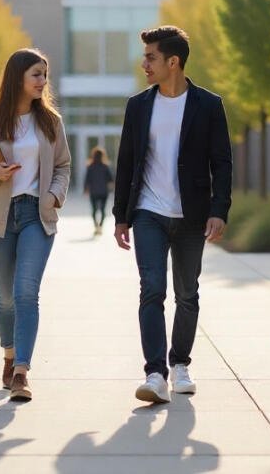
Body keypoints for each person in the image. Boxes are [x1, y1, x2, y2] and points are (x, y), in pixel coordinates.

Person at [112, 26, 232, 404]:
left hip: (192, 216)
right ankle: (155, 374)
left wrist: (219, 210)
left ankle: (180, 364)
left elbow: (222, 163)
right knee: (152, 290)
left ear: (173, 62)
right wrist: (120, 216)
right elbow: (126, 163)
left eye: (150, 57)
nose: (144, 63)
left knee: (187, 294)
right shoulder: (138, 105)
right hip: (148, 212)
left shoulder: (208, 105)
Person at [0, 49, 71, 402]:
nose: (43, 81)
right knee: (5, 297)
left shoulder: (50, 122)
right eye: (37, 74)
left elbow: (64, 166)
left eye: (45, 75)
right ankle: (8, 355)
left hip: (37, 216)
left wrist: (52, 196)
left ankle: (21, 371)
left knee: (25, 293)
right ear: (17, 77)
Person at [83, 147, 114, 236]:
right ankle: (100, 226)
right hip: (104, 191)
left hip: (94, 191)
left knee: (94, 210)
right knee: (103, 210)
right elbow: (110, 179)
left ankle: (96, 226)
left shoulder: (90, 167)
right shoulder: (105, 167)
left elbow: (87, 179)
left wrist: (85, 189)